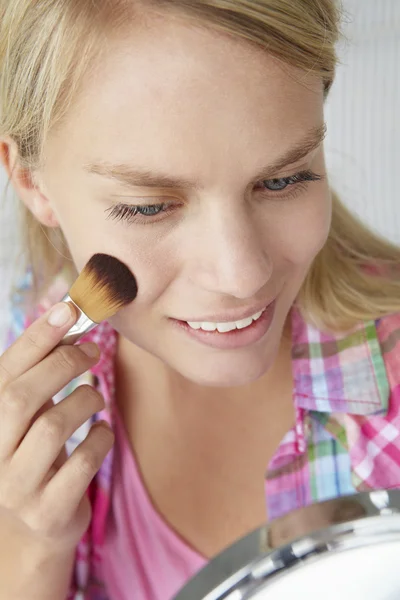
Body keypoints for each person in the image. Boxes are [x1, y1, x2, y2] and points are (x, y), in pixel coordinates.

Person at [0, 1, 400, 599]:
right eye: (150, 207)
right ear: (32, 181)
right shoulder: (27, 349)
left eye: (283, 179)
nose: (241, 275)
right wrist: (33, 546)